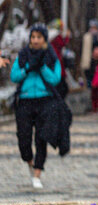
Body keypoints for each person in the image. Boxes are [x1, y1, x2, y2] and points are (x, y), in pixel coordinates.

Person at [10, 23, 61, 189]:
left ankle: (38, 172)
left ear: (44, 39)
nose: (36, 40)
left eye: (39, 37)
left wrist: (42, 67)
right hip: (25, 101)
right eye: (33, 37)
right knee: (23, 138)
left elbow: (55, 79)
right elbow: (14, 76)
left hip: (45, 101)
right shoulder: (23, 55)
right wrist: (28, 67)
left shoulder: (51, 56)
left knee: (41, 138)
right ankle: (30, 162)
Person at [81, 19, 98, 87]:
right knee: (89, 81)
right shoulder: (86, 37)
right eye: (92, 27)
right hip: (89, 63)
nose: (93, 29)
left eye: (94, 27)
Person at [49, 19, 71, 98]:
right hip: (57, 64)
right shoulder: (56, 37)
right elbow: (62, 43)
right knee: (62, 87)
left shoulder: (50, 37)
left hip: (54, 64)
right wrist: (67, 37)